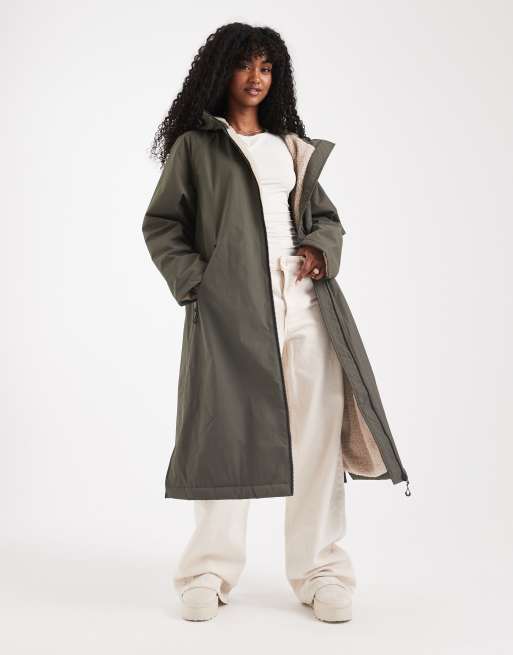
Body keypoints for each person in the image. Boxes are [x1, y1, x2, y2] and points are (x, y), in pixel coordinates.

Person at [142, 22, 410, 623]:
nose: (256, 77)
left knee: (317, 437)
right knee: (223, 435)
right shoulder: (197, 147)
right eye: (246, 65)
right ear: (222, 71)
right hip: (231, 310)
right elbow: (162, 225)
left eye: (266, 67)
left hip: (306, 304)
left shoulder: (291, 146)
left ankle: (320, 572)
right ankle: (207, 571)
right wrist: (198, 285)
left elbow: (326, 219)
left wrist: (319, 249)